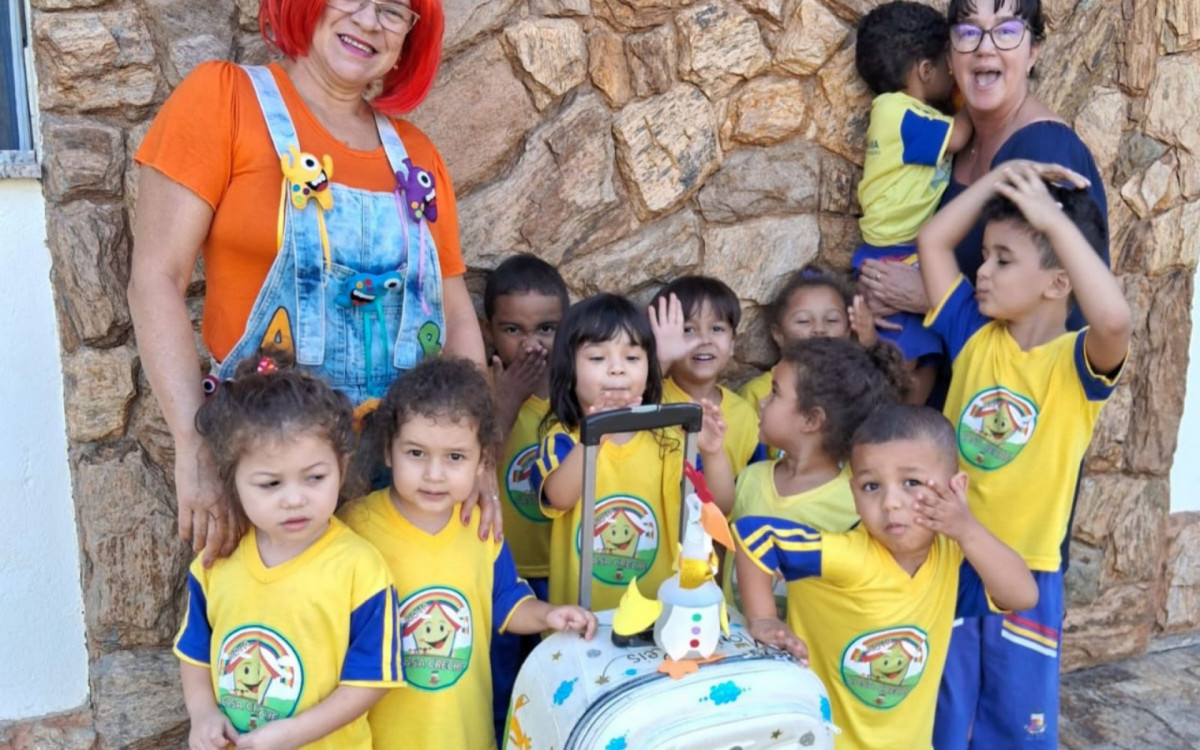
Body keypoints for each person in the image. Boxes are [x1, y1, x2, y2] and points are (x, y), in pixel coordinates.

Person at [128, 0, 490, 564]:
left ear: (409, 39)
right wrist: (192, 444)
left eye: (394, 11)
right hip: (270, 474)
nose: (369, 21)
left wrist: (476, 450)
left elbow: (455, 312)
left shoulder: (416, 158)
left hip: (403, 481)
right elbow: (154, 277)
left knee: (404, 647)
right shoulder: (224, 100)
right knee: (283, 643)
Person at [917, 161, 1130, 748]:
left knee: (1017, 727)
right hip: (948, 559)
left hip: (1029, 573)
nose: (982, 271)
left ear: (1058, 282)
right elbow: (933, 241)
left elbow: (1114, 316)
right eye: (984, 255)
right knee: (943, 720)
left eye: (1003, 260)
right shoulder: (971, 333)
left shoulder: (1078, 364)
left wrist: (1054, 223)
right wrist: (1002, 177)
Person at [734, 404, 1038, 750]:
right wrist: (763, 619)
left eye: (911, 482)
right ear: (853, 493)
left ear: (957, 487)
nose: (891, 502)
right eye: (871, 486)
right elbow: (754, 537)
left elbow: (1022, 595)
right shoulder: (848, 556)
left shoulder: (949, 558)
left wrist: (967, 528)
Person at [340, 357, 597, 750]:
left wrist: (548, 614)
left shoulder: (479, 526)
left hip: (466, 734)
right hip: (383, 738)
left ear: (482, 463)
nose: (434, 474)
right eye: (416, 453)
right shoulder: (354, 528)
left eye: (455, 457)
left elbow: (503, 599)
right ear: (388, 451)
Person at [173, 353, 402, 750]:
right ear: (233, 481)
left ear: (342, 469)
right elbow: (195, 651)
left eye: (314, 478)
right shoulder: (217, 560)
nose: (294, 499)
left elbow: (372, 680)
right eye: (270, 484)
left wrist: (291, 734)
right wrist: (203, 714)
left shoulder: (359, 568)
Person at [859, 0, 1109, 341]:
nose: (985, 47)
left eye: (1006, 31)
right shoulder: (957, 140)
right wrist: (879, 288)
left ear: (1033, 51)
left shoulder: (1046, 153)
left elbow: (1060, 327)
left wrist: (932, 295)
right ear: (949, 55)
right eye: (968, 31)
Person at [530, 293, 731, 611]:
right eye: (598, 358)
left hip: (660, 610)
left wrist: (712, 453)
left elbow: (720, 505)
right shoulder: (564, 440)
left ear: (650, 368)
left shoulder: (670, 439)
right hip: (585, 617)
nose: (617, 370)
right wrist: (596, 435)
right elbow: (559, 497)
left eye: (632, 358)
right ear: (568, 369)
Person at [724, 336, 908, 616]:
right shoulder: (751, 478)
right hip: (737, 649)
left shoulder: (853, 505)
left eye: (775, 392)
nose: (761, 402)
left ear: (811, 420)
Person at [853, 1, 972, 405]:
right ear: (925, 71)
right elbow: (958, 137)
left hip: (893, 252)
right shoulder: (898, 111)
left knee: (921, 357)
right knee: (912, 359)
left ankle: (903, 422)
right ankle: (902, 423)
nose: (954, 76)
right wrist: (974, 92)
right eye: (948, 65)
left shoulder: (904, 112)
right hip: (896, 255)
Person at [481, 253, 569, 744]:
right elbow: (474, 467)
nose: (532, 344)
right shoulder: (482, 393)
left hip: (557, 567)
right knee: (499, 685)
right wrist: (507, 400)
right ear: (487, 330)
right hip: (498, 572)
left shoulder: (574, 394)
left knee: (555, 680)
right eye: (513, 329)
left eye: (547, 329)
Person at [738, 268, 878, 453]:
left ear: (847, 332)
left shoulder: (858, 389)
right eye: (804, 321)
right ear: (778, 335)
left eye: (832, 320)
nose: (819, 329)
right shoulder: (756, 394)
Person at [649, 276, 766, 478]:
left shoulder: (745, 416)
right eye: (688, 330)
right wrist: (661, 360)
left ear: (732, 344)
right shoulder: (652, 398)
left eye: (717, 329)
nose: (704, 340)